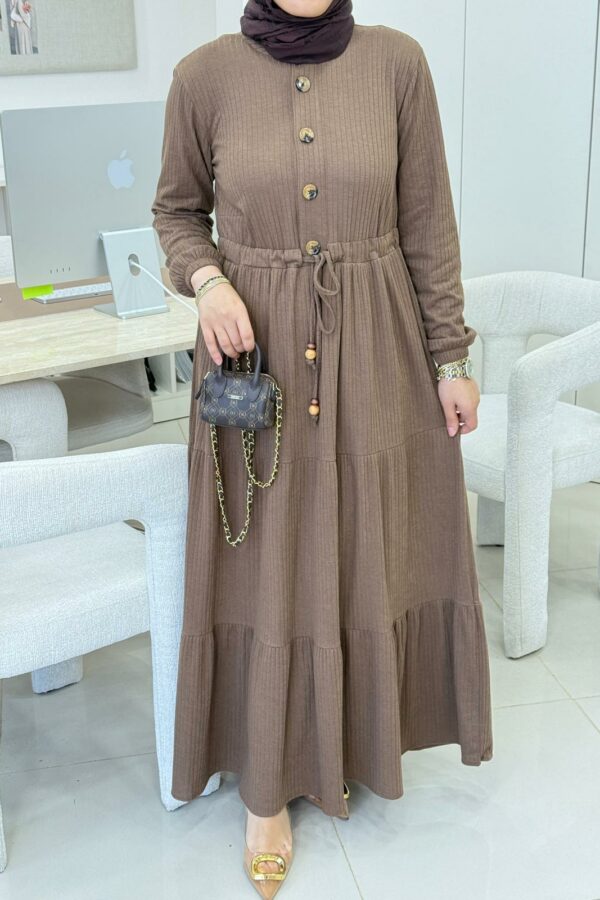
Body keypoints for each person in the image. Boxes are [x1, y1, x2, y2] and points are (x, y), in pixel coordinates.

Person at [151, 1, 493, 895]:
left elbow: (429, 223)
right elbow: (175, 214)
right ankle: (267, 787)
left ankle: (354, 739)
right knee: (265, 560)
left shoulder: (398, 64)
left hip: (377, 349)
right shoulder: (202, 77)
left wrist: (452, 356)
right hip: (252, 356)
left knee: (364, 546)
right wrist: (209, 280)